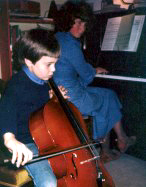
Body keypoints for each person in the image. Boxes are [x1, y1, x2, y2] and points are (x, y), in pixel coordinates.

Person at [0, 29, 68, 187]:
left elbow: (36, 110)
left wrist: (51, 99)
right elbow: (6, 108)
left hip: (45, 137)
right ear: (29, 61)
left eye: (55, 63)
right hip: (26, 144)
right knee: (47, 184)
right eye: (49, 64)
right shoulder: (17, 85)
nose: (53, 70)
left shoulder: (42, 79)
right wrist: (10, 139)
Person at [53, 0, 136, 162]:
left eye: (84, 25)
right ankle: (114, 144)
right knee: (105, 101)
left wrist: (89, 69)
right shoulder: (71, 44)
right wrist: (94, 69)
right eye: (78, 23)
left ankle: (119, 139)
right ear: (69, 20)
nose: (81, 29)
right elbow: (84, 73)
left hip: (62, 93)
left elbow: (75, 67)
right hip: (72, 98)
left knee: (109, 94)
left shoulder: (58, 37)